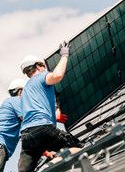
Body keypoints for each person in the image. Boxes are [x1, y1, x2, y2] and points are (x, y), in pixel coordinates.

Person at [18, 42, 83, 172]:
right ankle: (51, 166)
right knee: (79, 148)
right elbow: (57, 75)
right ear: (38, 66)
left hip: (27, 136)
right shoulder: (40, 76)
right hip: (43, 128)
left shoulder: (25, 91)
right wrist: (64, 55)